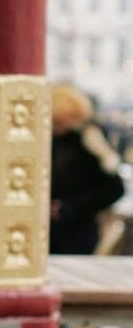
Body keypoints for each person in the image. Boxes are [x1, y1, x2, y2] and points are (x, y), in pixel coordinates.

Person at [50, 83, 125, 255]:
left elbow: (113, 188)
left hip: (77, 232)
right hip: (52, 231)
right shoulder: (54, 141)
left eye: (60, 121)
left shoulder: (90, 141)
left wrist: (72, 207)